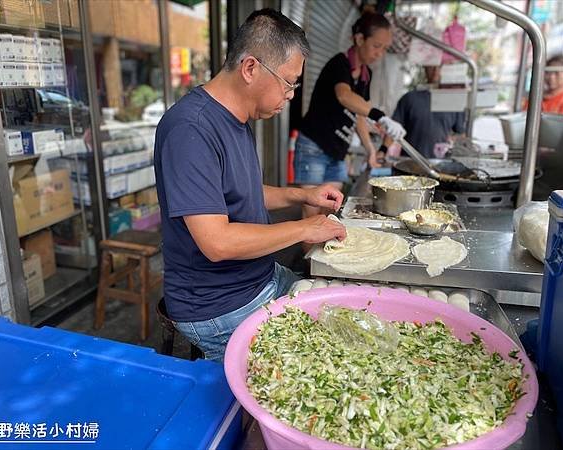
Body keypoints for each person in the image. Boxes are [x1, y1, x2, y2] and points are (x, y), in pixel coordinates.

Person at [154, 9, 347, 362]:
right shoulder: (191, 129)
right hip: (218, 305)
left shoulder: (237, 118)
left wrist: (301, 194)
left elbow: (239, 193)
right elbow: (217, 242)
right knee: (323, 364)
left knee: (344, 307)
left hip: (259, 278)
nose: (291, 94)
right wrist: (305, 226)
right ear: (250, 68)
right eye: (289, 83)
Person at [294, 12, 406, 218]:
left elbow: (359, 115)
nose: (380, 53)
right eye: (376, 45)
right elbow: (344, 96)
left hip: (337, 153)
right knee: (311, 216)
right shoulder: (340, 64)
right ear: (359, 38)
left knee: (329, 213)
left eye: (384, 48)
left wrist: (371, 150)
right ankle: (307, 252)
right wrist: (380, 116)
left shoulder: (366, 74)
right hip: (313, 147)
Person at [388, 65, 465, 159]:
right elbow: (392, 129)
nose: (435, 71)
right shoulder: (409, 98)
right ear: (425, 68)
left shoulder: (454, 102)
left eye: (440, 67)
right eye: (432, 66)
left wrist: (452, 147)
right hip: (409, 162)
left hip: (440, 164)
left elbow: (460, 135)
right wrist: (383, 150)